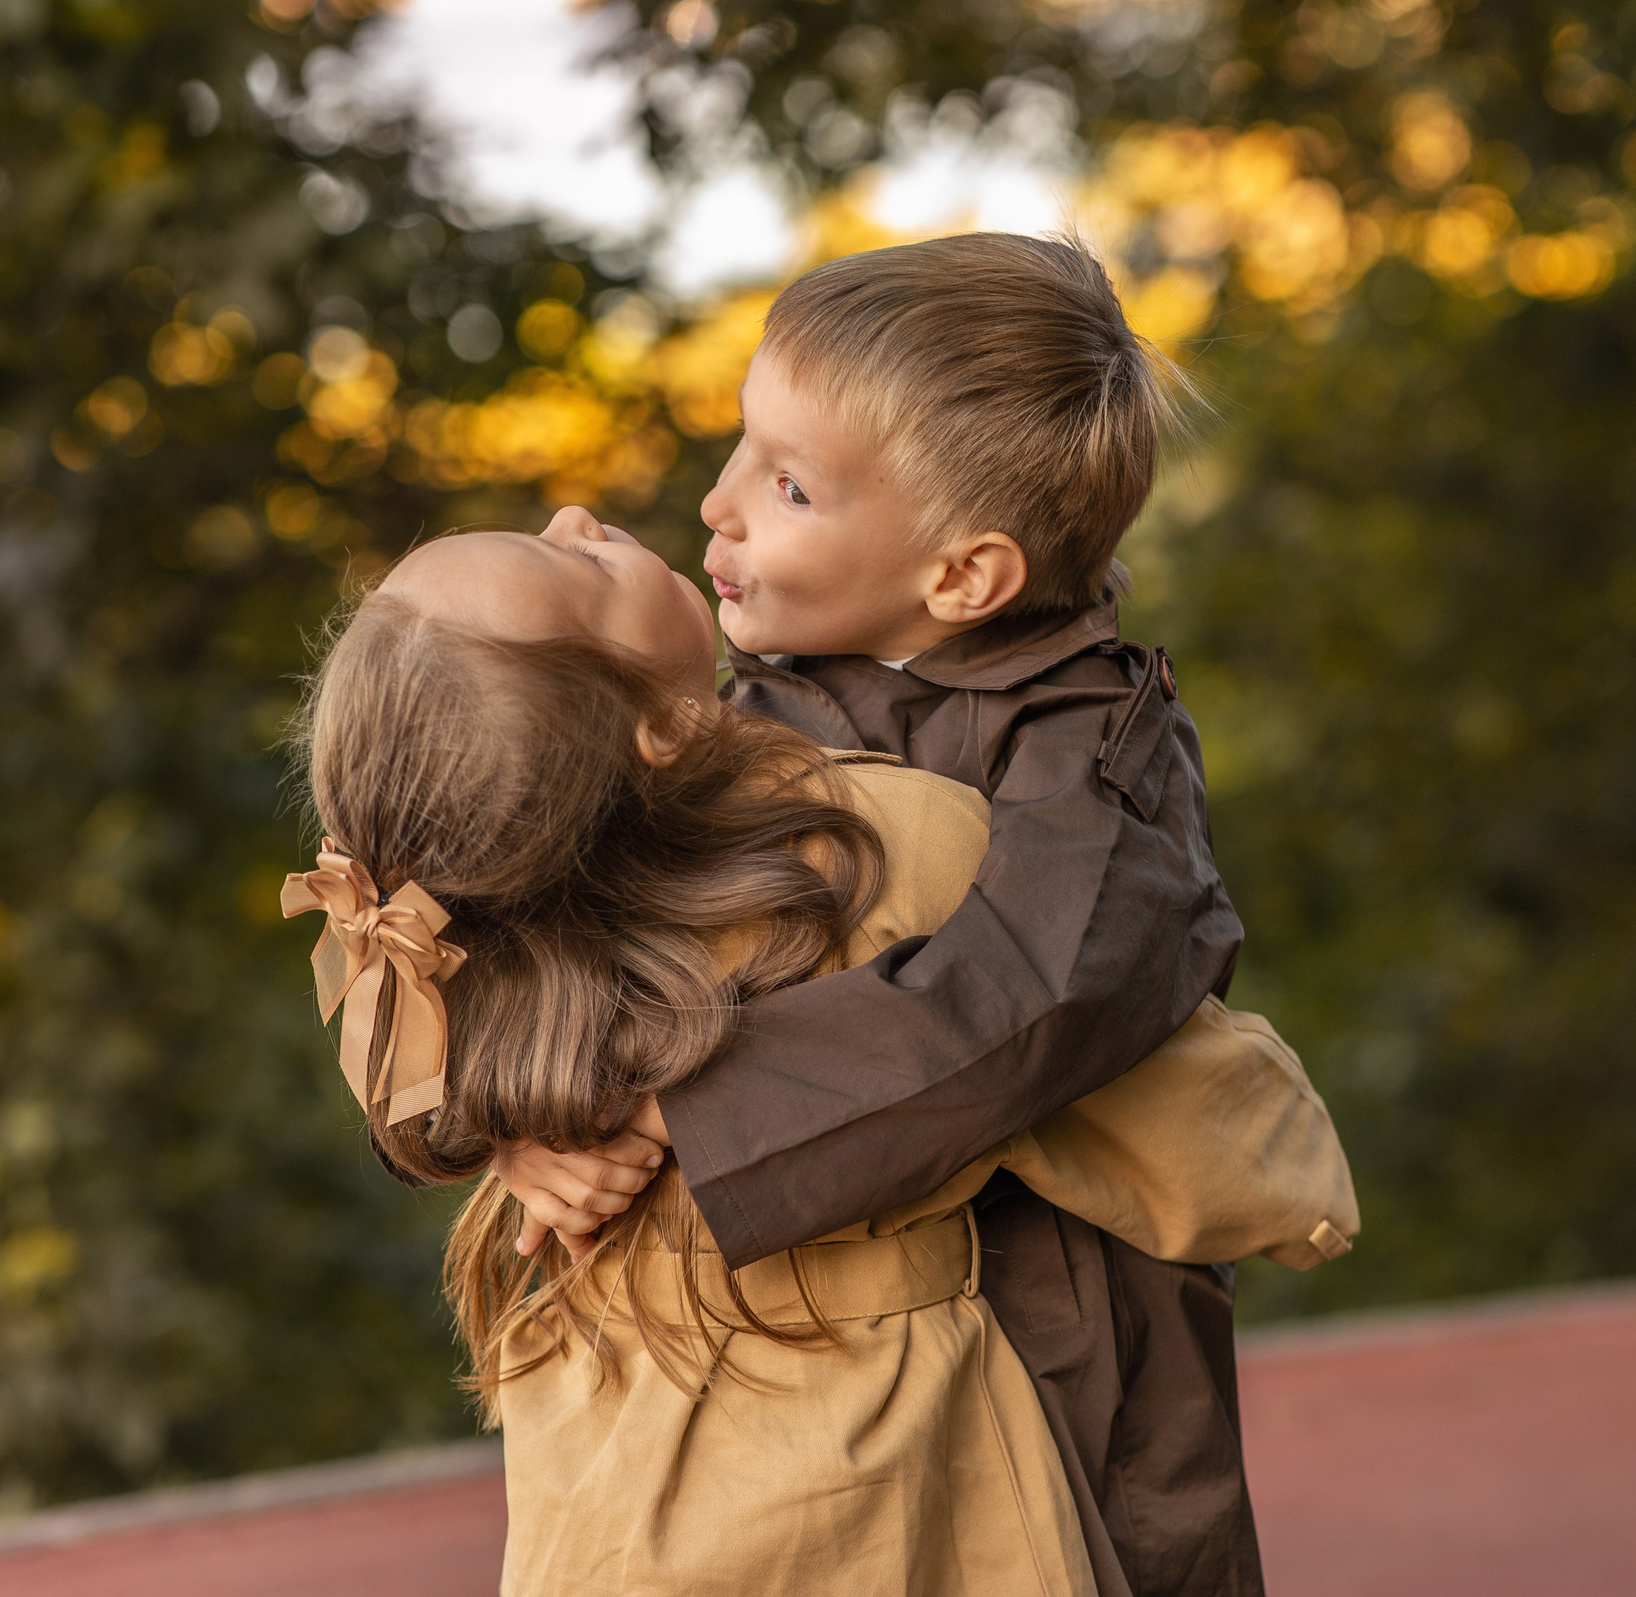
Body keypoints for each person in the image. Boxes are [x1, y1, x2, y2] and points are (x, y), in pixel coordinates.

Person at [284, 510, 1353, 1596]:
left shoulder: (458, 948)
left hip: (609, 1527)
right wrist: (1291, 1187)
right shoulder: (879, 847)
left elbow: (395, 1042)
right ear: (658, 727)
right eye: (575, 565)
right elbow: (1126, 1081)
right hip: (884, 1485)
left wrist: (510, 1125)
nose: (572, 516)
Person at [493, 234, 1332, 1596]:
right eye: (741, 444)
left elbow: (1022, 996)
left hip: (1056, 1347)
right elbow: (467, 909)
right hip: (784, 1381)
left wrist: (678, 1107)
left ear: (963, 577)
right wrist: (512, 1113)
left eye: (789, 481)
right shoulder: (733, 708)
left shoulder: (1089, 761)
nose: (715, 505)